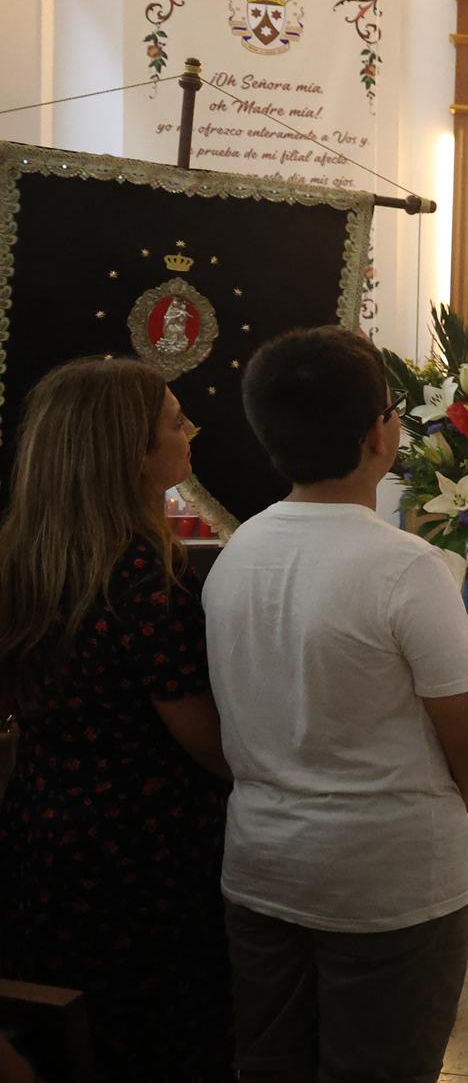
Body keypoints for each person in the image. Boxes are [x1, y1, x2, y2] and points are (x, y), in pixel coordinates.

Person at [205, 327, 468, 1083]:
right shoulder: (404, 566)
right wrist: (403, 817)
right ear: (380, 432)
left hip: (263, 866)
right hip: (386, 886)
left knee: (271, 1066)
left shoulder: (237, 551)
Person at [0, 358, 234, 1078]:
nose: (187, 433)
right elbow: (205, 743)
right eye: (173, 422)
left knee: (68, 1030)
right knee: (148, 1035)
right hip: (140, 854)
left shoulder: (27, 557)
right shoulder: (140, 579)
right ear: (129, 454)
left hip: (43, 828)